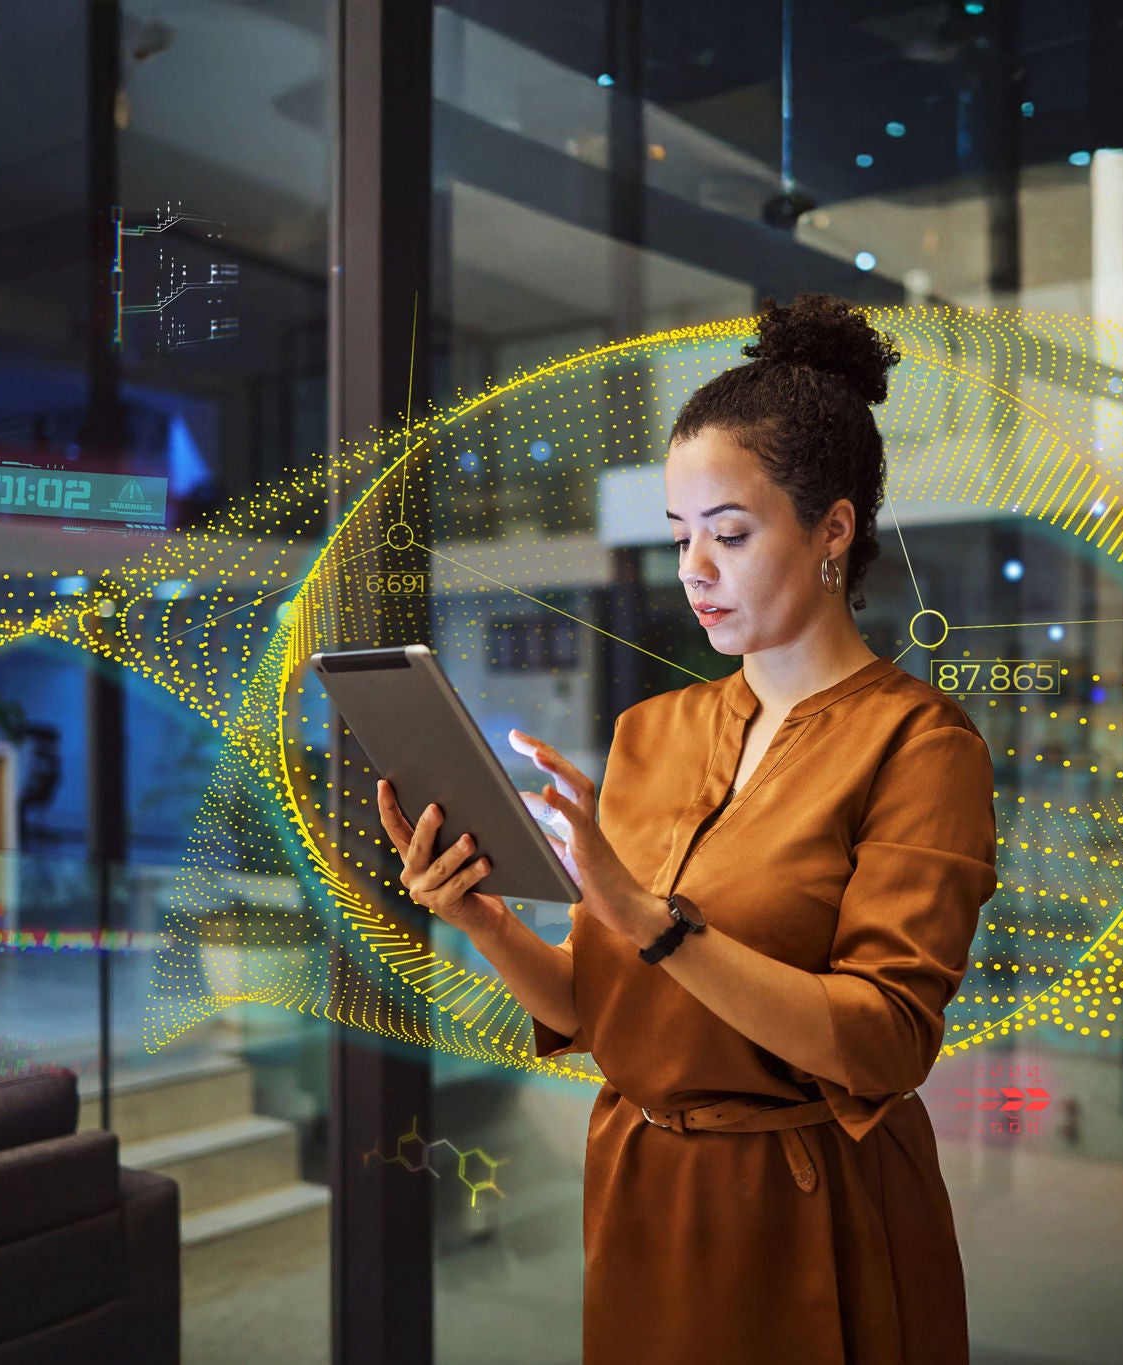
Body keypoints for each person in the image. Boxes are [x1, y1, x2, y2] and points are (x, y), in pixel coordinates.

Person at [376, 292, 999, 1363]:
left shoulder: (922, 746)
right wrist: (476, 916)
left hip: (810, 1209)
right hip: (640, 1190)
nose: (693, 572)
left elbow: (886, 1040)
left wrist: (653, 920)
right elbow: (590, 1004)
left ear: (832, 530)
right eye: (677, 539)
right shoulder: (650, 731)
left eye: (729, 534)